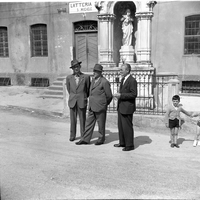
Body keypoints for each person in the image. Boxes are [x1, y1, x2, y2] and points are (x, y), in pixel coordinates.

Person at [75, 64, 113, 145]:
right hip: (92, 106)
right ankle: (85, 139)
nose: (94, 73)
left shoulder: (104, 82)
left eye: (96, 71)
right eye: (94, 71)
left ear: (100, 73)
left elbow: (109, 96)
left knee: (101, 124)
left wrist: (104, 104)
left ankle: (101, 139)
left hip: (100, 107)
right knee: (88, 123)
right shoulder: (93, 80)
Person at [113, 63, 137, 151]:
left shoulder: (132, 80)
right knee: (121, 126)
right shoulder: (123, 79)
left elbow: (134, 94)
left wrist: (121, 95)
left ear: (127, 70)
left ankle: (129, 145)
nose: (120, 71)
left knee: (127, 127)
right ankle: (122, 142)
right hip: (121, 106)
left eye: (121, 70)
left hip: (127, 107)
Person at [65, 59, 91, 141]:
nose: (76, 68)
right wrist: (74, 96)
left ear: (80, 67)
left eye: (77, 66)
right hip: (73, 101)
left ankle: (83, 136)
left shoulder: (86, 77)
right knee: (73, 120)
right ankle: (72, 135)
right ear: (72, 69)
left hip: (81, 100)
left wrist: (82, 96)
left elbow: (88, 89)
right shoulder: (69, 78)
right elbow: (69, 90)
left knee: (82, 119)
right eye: (74, 67)